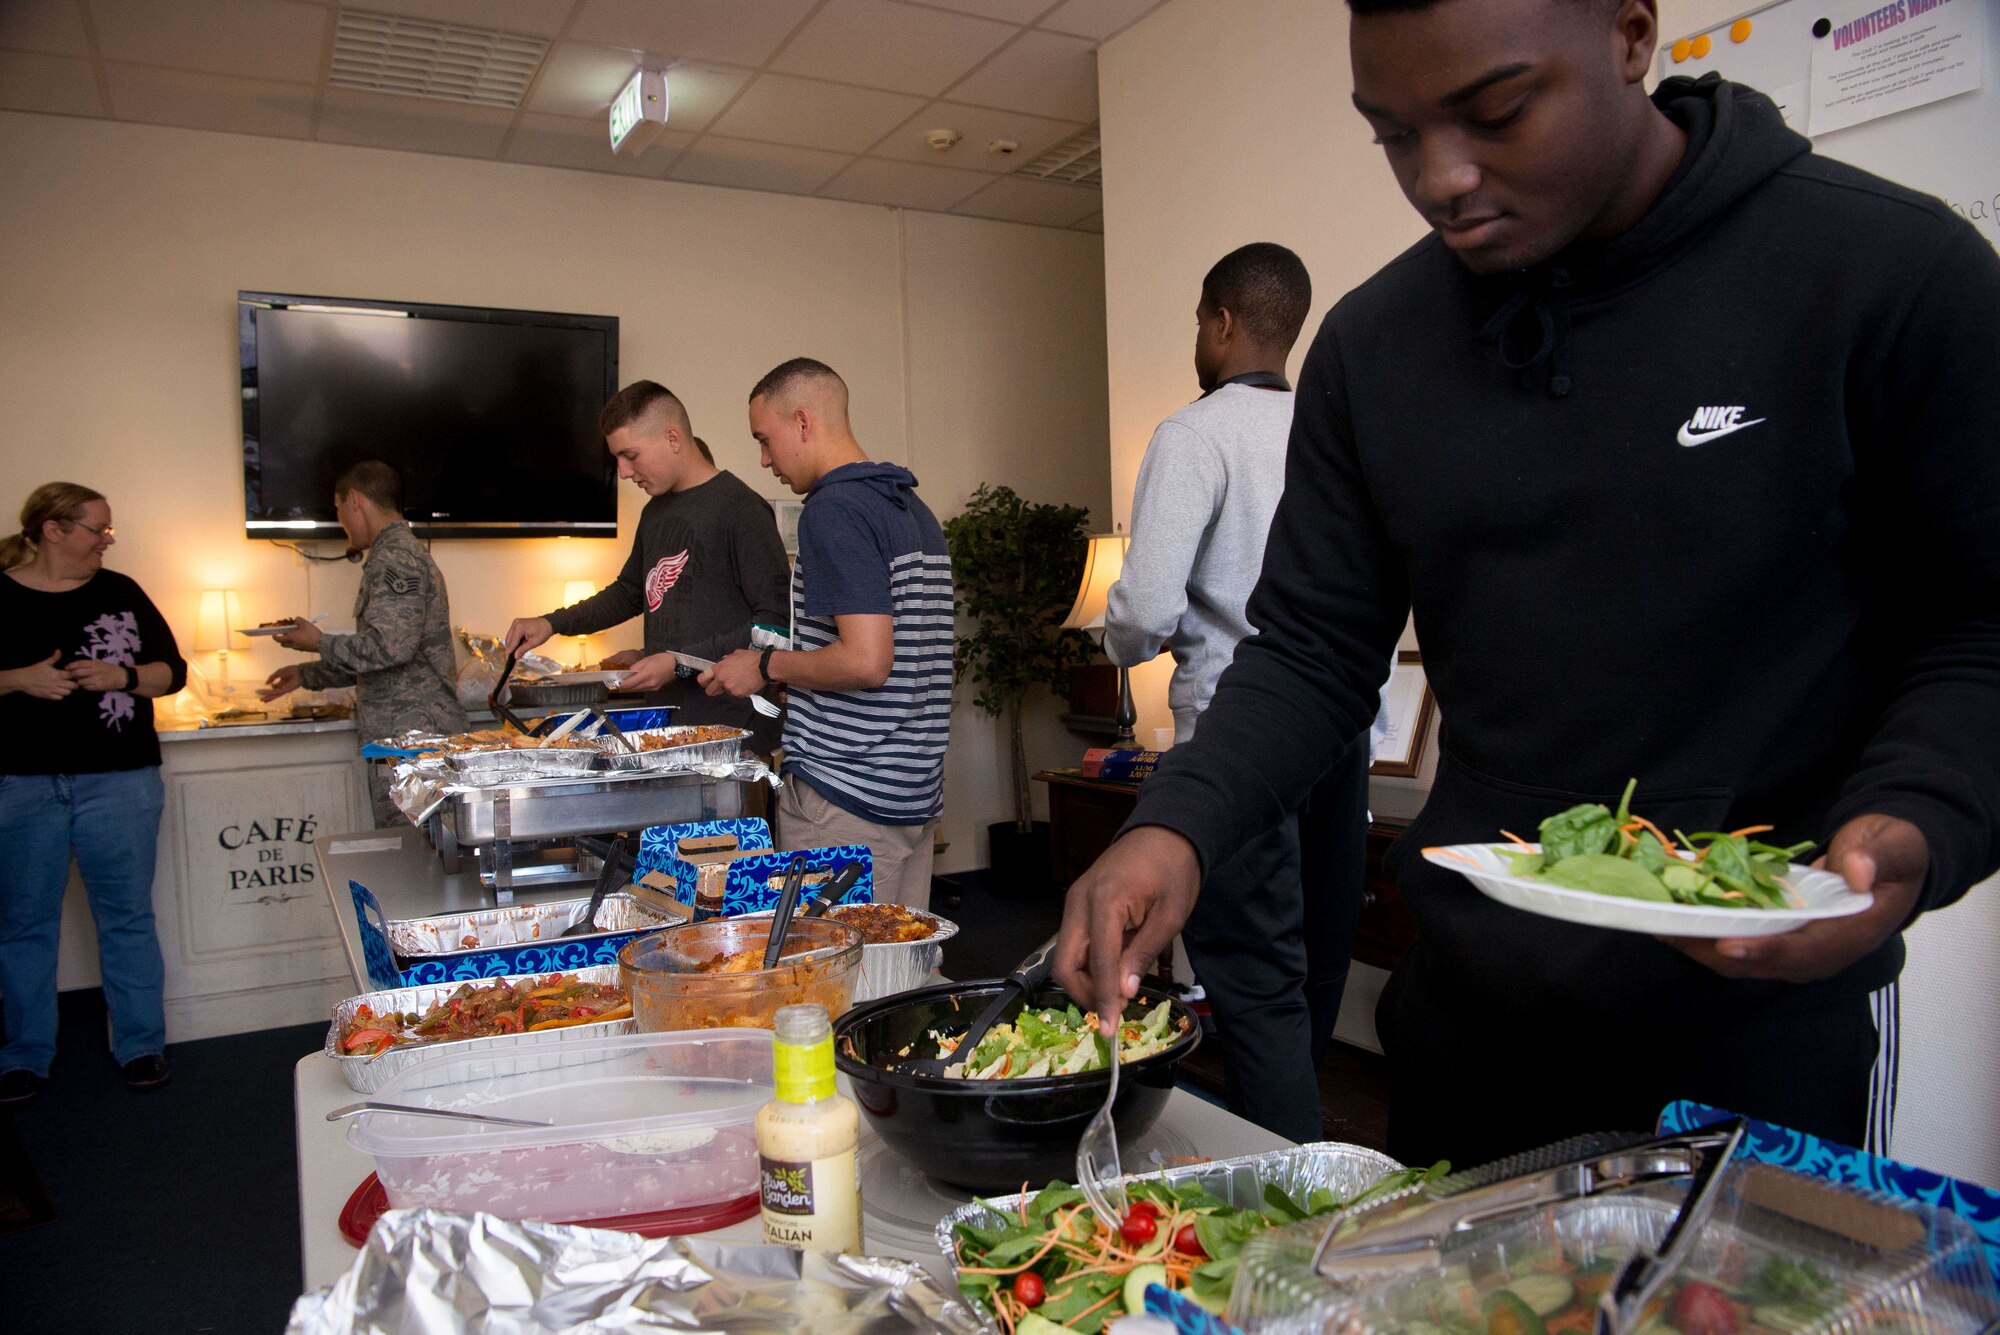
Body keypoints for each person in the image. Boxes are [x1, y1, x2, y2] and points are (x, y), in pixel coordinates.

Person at [1055, 0, 2000, 1167]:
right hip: (1472, 1022)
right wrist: (1177, 829)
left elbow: (1978, 625)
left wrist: (1917, 819)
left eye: (1494, 113)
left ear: (1628, 34)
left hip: (1760, 1033)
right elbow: (1311, 651)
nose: (1439, 178)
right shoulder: (1373, 346)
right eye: (1390, 136)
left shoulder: (1887, 273)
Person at [1102, 242, 1378, 1143]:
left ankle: (1279, 1211)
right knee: (1315, 976)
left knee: (1255, 984)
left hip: (1237, 734)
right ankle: (1317, 1159)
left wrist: (1121, 640)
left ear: (1221, 321)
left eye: (1196, 320)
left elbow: (1145, 605)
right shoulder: (1334, 425)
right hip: (1340, 732)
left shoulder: (1195, 433)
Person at [702, 358, 953, 909]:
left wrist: (765, 667)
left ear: (803, 422)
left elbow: (867, 661)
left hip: (847, 796)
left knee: (833, 982)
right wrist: (804, 677)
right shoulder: (911, 506)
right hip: (910, 793)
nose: (764, 459)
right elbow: (903, 656)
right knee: (896, 977)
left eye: (765, 440)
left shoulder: (833, 510)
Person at [0, 483, 187, 1102]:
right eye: (96, 530)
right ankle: (24, 1054)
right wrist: (19, 679)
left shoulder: (120, 591)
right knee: (24, 925)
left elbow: (172, 671)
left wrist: (123, 677)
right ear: (52, 529)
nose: (107, 540)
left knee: (126, 917)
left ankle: (140, 1045)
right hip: (21, 786)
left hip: (120, 781)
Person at [503, 383, 790, 747]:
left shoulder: (741, 510)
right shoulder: (655, 511)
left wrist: (677, 662)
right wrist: (552, 622)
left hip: (731, 727)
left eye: (631, 455)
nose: (623, 471)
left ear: (672, 437)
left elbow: (776, 624)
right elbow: (628, 593)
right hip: (668, 722)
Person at [260, 460, 467, 826]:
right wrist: (308, 674)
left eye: (338, 510)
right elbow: (383, 658)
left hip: (413, 744)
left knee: (416, 862)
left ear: (355, 500)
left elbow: (391, 647)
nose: (340, 523)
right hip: (406, 742)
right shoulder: (393, 554)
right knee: (416, 860)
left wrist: (319, 642)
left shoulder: (395, 558)